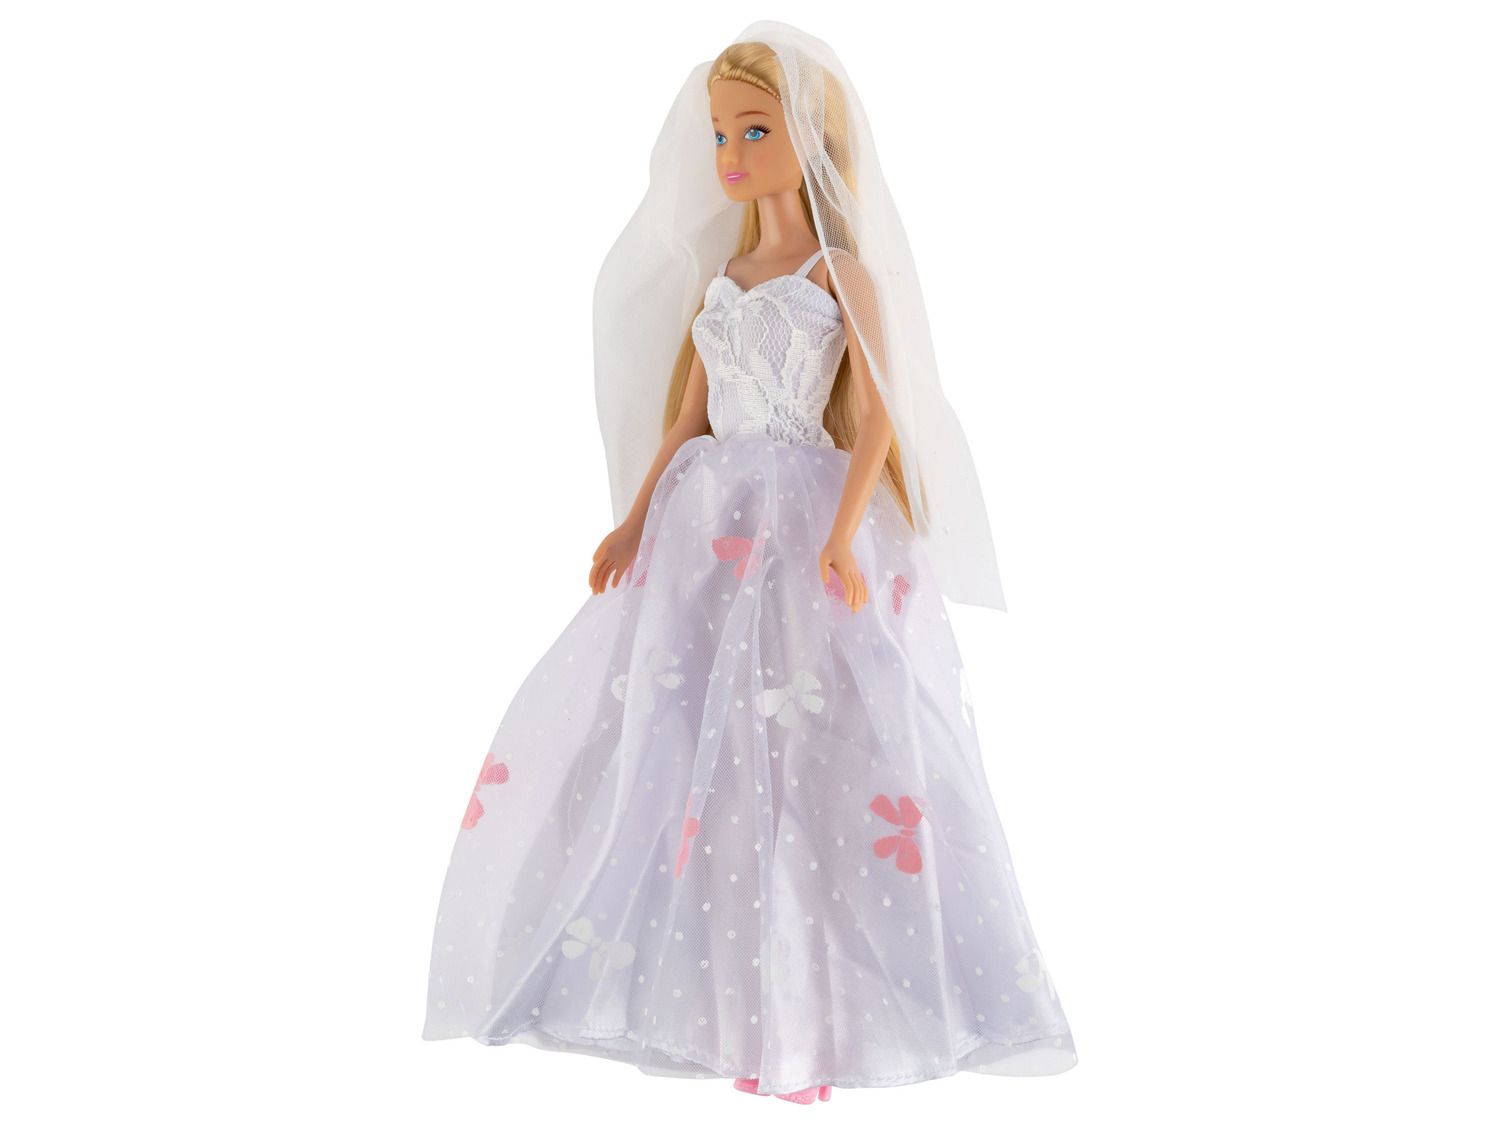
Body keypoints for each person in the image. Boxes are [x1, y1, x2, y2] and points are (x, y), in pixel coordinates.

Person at [422, 21, 1078, 1103]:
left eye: (754, 131)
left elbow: (879, 416)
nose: (729, 154)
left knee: (812, 749)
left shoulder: (838, 273)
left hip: (802, 520)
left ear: (809, 138)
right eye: (722, 134)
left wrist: (842, 533)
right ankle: (724, 1008)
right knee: (698, 744)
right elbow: (689, 417)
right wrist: (634, 521)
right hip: (704, 527)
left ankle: (818, 1017)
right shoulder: (725, 276)